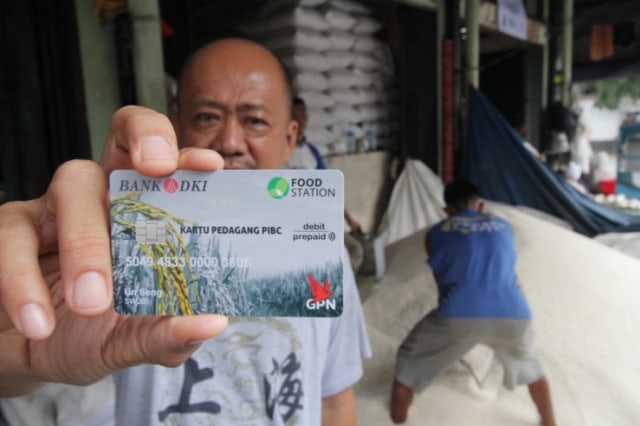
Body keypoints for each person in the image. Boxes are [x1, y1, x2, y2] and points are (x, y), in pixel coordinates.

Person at [0, 38, 371, 425]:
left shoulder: (319, 254)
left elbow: (334, 399)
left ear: (290, 137)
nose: (229, 142)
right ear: (175, 124)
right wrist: (20, 347)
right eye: (207, 117)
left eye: (255, 120)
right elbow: (24, 383)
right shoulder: (128, 247)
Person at [390, 180, 556, 426]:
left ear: (446, 210)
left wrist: (457, 331)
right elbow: (506, 266)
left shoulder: (436, 233)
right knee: (532, 367)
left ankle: (396, 418)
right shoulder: (504, 226)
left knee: (407, 361)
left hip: (459, 311)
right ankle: (550, 421)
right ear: (480, 206)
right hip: (515, 312)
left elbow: (443, 282)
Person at [289, 96, 362, 234]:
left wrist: (349, 219)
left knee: (353, 250)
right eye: (294, 115)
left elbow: (328, 188)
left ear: (307, 118)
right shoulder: (278, 152)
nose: (299, 120)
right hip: (289, 224)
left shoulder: (312, 152)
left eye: (302, 115)